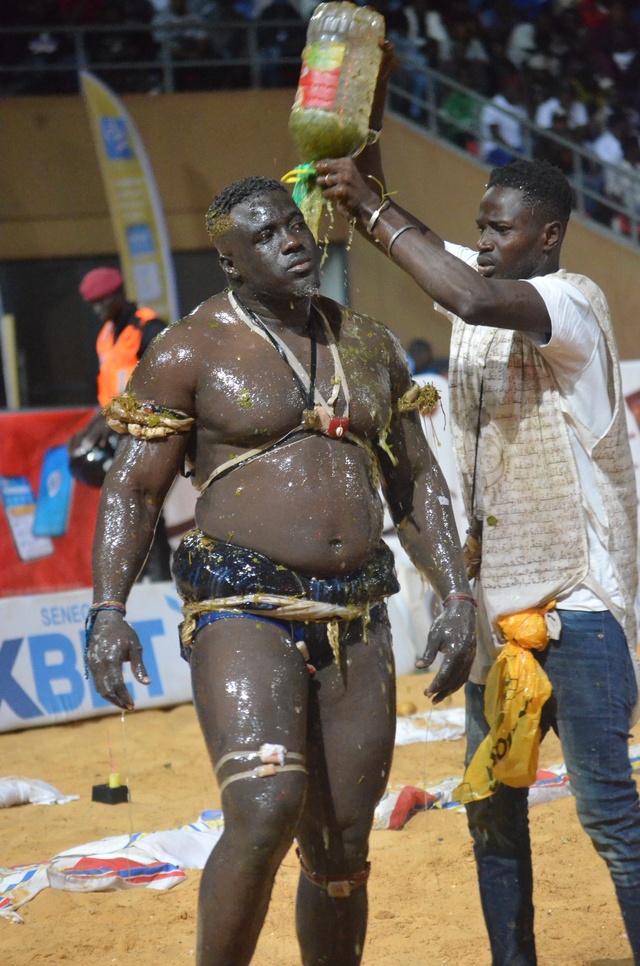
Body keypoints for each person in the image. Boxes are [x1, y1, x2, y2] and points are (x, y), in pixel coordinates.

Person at [84, 175, 476, 966]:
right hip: (242, 605)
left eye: (293, 224)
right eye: (264, 236)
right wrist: (107, 609)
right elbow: (134, 487)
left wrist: (459, 595)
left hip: (359, 608)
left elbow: (417, 481)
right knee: (264, 807)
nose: (290, 240)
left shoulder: (365, 342)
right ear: (231, 262)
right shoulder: (191, 348)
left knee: (342, 844)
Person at [315, 50, 640, 964]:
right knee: (492, 816)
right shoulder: (487, 276)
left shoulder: (572, 303)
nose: (484, 241)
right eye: (479, 229)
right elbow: (395, 219)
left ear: (548, 236)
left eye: (501, 231)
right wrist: (362, 93)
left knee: (611, 816)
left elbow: (456, 285)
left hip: (581, 609)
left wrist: (375, 210)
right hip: (499, 617)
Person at [70, 265, 172, 581]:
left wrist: (113, 415)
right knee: (123, 506)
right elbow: (109, 391)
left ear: (118, 294)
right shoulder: (106, 335)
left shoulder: (147, 327)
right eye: (93, 305)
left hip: (147, 430)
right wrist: (89, 427)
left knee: (141, 501)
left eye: (103, 301)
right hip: (119, 430)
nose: (98, 310)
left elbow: (160, 381)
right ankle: (138, 575)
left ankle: (158, 577)